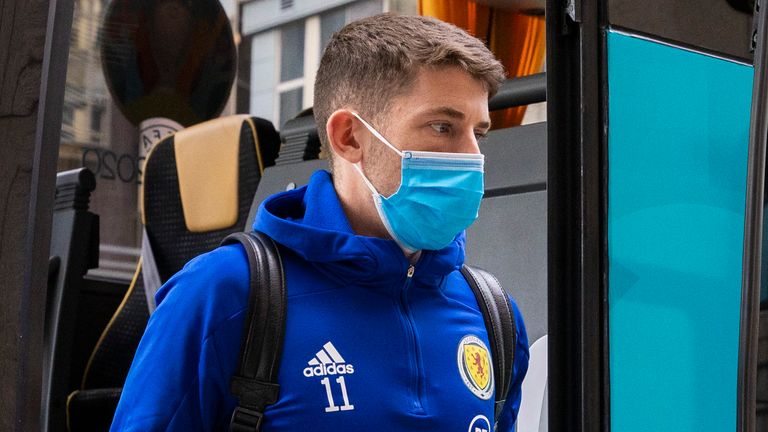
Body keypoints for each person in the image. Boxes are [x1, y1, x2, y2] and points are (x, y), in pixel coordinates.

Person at [110, 13, 529, 431]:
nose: (472, 157)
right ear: (348, 136)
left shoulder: (493, 314)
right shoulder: (224, 294)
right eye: (443, 126)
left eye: (480, 133)